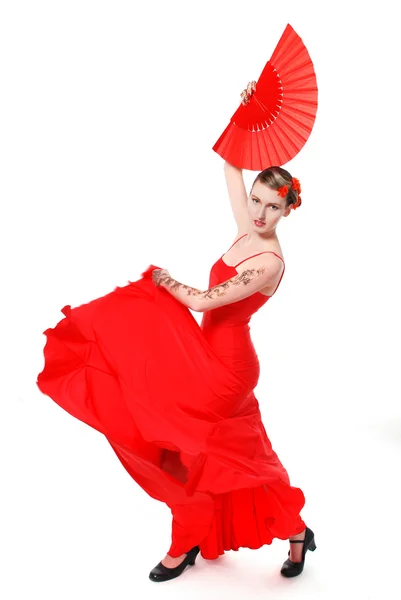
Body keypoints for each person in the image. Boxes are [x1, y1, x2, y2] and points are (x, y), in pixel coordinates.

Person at [36, 83, 317, 586]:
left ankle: (198, 535)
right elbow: (231, 165)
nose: (258, 213)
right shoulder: (247, 229)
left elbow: (203, 300)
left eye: (272, 207)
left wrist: (165, 280)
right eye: (257, 201)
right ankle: (276, 528)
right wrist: (247, 112)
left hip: (227, 369)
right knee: (216, 451)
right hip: (204, 352)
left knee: (198, 449)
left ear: (288, 211)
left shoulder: (269, 261)